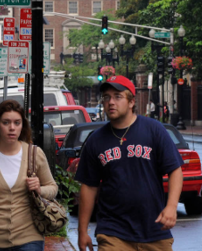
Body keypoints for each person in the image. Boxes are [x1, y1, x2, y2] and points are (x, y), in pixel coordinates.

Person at [76, 75, 183, 251]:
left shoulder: (154, 130)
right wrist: (82, 231)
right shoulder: (95, 140)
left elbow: (175, 170)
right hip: (113, 232)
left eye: (117, 96)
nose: (111, 102)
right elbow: (89, 186)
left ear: (132, 102)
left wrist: (171, 207)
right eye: (106, 97)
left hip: (154, 230)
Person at [0, 100, 58, 251]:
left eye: (17, 123)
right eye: (6, 122)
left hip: (29, 238)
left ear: (22, 125)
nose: (12, 128)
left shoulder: (34, 154)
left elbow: (53, 188)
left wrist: (39, 189)